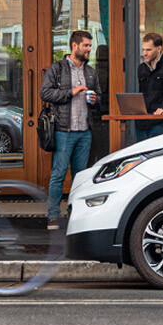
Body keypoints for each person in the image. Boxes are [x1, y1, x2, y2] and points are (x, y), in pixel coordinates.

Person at [40, 30, 102, 230]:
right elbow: (45, 93)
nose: (89, 49)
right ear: (74, 46)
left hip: (85, 131)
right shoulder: (57, 69)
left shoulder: (91, 72)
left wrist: (94, 100)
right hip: (63, 130)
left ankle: (76, 213)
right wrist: (71, 92)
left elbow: (99, 98)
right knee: (58, 173)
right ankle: (53, 215)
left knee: (81, 176)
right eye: (86, 45)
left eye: (90, 46)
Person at [136, 32, 163, 143]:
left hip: (161, 122)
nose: (145, 53)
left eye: (149, 50)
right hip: (142, 122)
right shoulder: (141, 68)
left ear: (159, 49)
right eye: (143, 50)